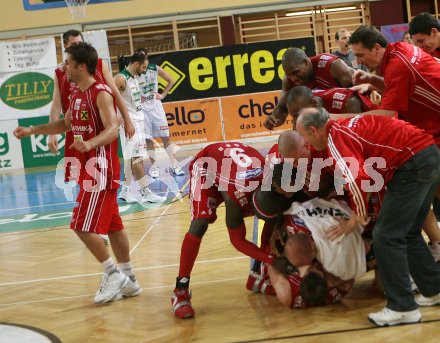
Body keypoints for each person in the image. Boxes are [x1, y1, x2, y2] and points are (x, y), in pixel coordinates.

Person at [13, 42, 142, 304]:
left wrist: (91, 143)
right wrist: (31, 131)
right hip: (89, 168)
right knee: (114, 226)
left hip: (100, 168)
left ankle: (113, 274)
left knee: (80, 225)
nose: (65, 67)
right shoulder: (76, 93)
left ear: (81, 66)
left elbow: (112, 127)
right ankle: (130, 280)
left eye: (69, 63)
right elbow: (65, 123)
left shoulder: (101, 93)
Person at [296, 106, 440, 327]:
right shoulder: (342, 128)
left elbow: (357, 179)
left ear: (314, 130)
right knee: (409, 230)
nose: (305, 143)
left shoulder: (335, 141)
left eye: (304, 136)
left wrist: (356, 217)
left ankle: (402, 308)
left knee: (385, 235)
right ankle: (434, 289)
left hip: (412, 163)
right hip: (427, 153)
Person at [342, 25, 440, 256]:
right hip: (432, 129)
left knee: (421, 184)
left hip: (434, 130)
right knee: (426, 188)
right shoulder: (400, 50)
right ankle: (436, 244)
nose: (359, 62)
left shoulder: (397, 65)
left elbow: (386, 117)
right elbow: (403, 89)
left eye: (360, 55)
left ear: (376, 48)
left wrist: (343, 120)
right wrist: (372, 80)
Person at [171, 142, 296, 319]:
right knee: (200, 223)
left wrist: (269, 260)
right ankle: (180, 289)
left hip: (237, 165)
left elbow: (273, 218)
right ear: (249, 207)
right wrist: (272, 259)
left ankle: (257, 274)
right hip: (208, 167)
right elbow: (237, 241)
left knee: (275, 219)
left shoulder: (277, 182)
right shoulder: (235, 198)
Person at [114, 52, 165, 204]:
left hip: (138, 120)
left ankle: (125, 191)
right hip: (130, 124)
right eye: (143, 67)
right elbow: (107, 95)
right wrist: (116, 115)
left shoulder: (134, 77)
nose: (144, 70)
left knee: (132, 158)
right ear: (136, 64)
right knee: (137, 159)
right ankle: (146, 192)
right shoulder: (120, 78)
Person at [263, 47, 354, 130]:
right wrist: (274, 118)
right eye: (289, 75)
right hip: (319, 123)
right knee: (298, 119)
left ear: (306, 62)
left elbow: (356, 97)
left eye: (295, 72)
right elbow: (282, 108)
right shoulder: (288, 81)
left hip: (343, 119)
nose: (293, 78)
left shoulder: (333, 65)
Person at [136, 48, 185, 179]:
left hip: (156, 108)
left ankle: (175, 165)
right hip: (143, 111)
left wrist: (163, 94)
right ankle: (154, 167)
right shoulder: (134, 73)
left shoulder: (154, 68)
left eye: (144, 57)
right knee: (148, 140)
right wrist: (136, 98)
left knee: (166, 138)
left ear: (147, 58)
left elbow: (171, 80)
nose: (143, 61)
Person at [285, 85, 377, 126]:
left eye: (300, 114)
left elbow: (359, 130)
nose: (298, 119)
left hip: (379, 122)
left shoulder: (347, 102)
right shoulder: (308, 102)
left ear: (315, 103)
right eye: (295, 117)